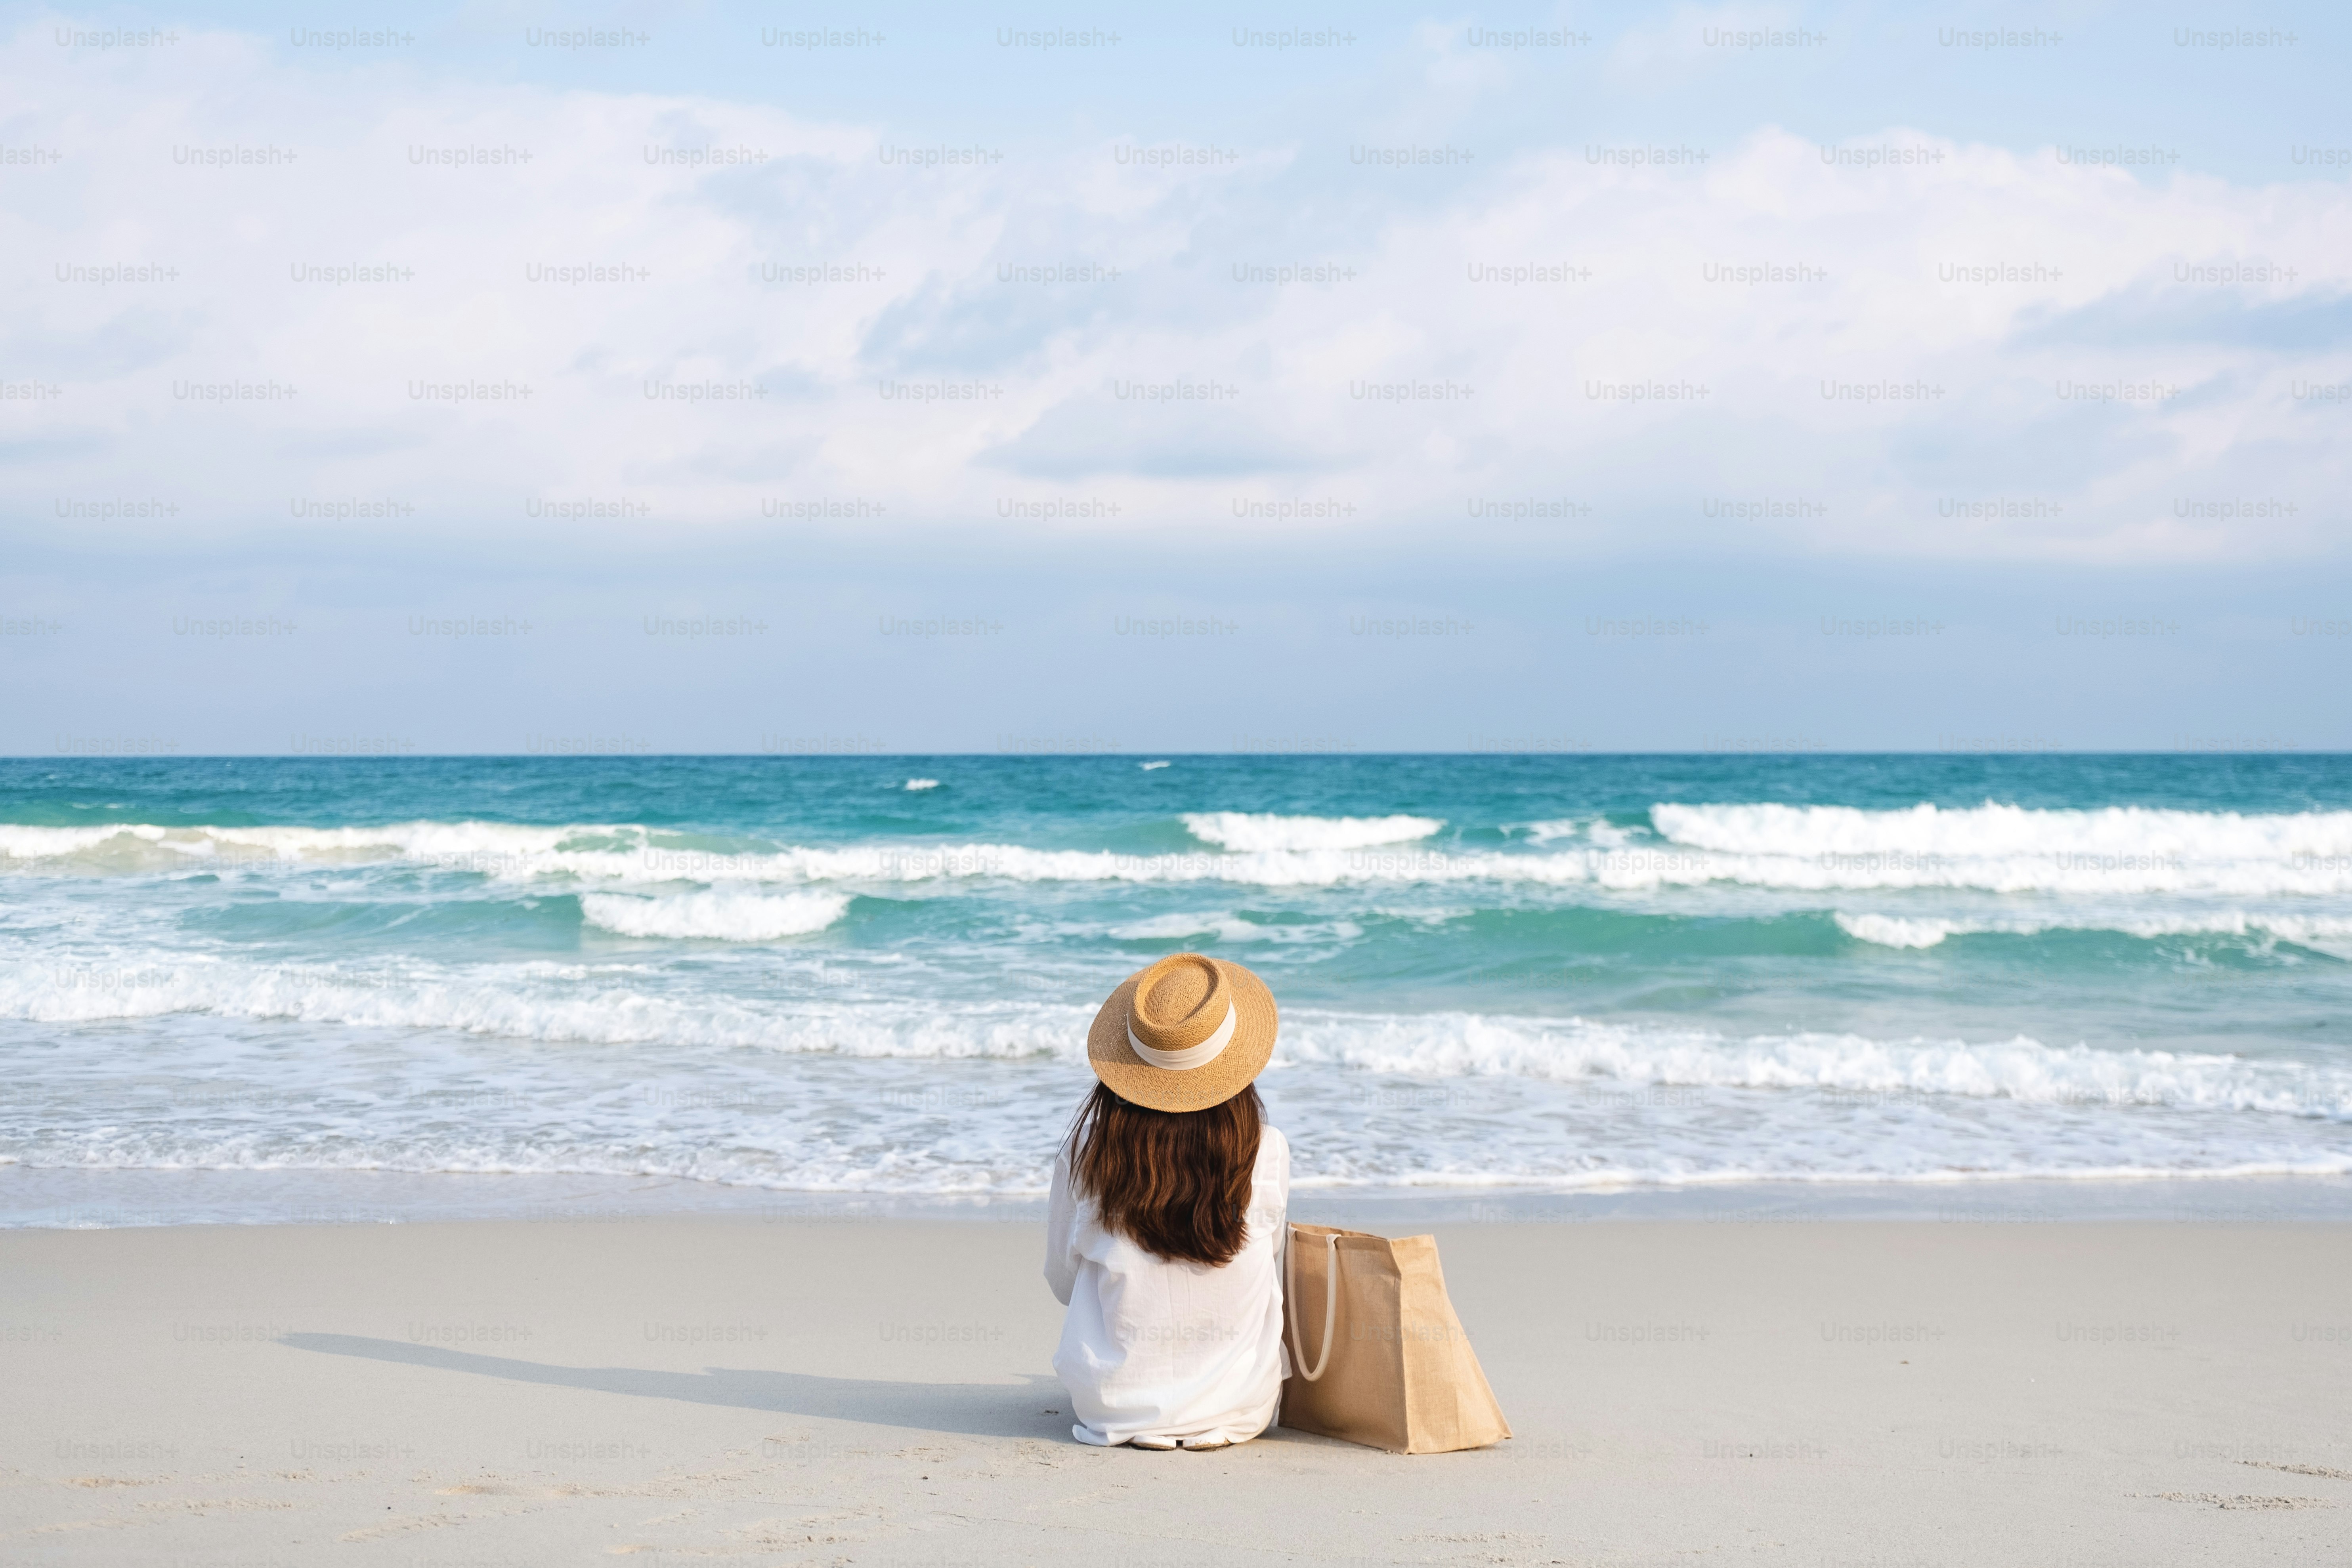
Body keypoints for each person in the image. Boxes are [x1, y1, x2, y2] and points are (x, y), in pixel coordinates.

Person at [1045, 951, 1290, 1450]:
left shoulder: (1086, 1152)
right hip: (1238, 1404)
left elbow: (1062, 1282)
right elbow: (1272, 1269)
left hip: (1111, 1405)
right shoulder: (1266, 1149)